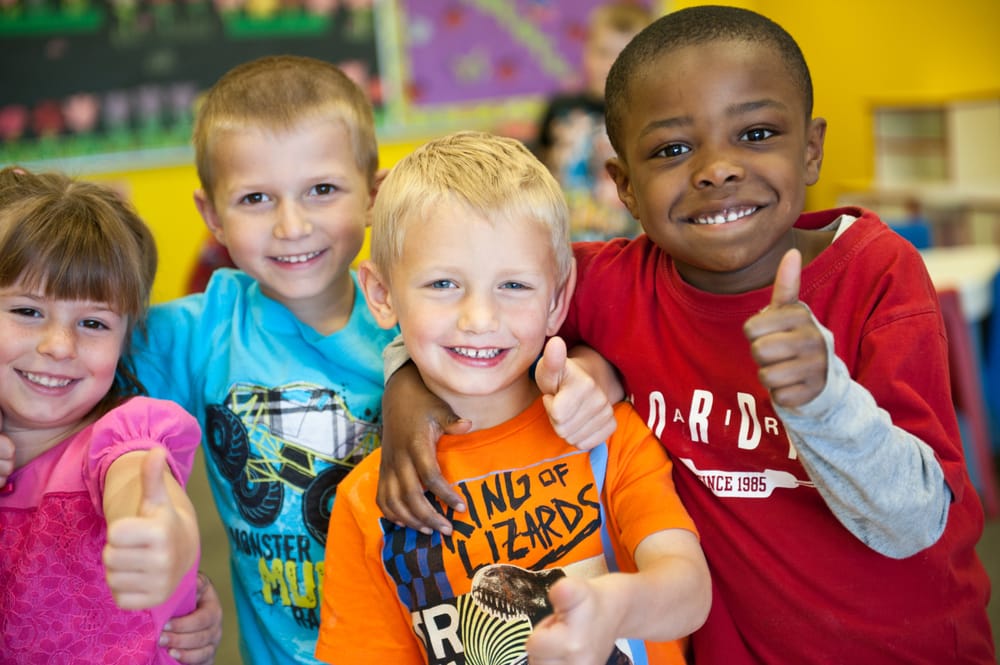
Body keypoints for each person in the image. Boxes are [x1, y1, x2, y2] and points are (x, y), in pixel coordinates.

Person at [376, 6, 997, 664]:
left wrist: (822, 399)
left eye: (756, 132)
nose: (717, 169)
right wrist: (407, 385)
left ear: (810, 149)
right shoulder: (609, 281)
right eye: (672, 149)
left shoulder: (876, 271)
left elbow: (914, 520)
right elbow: (473, 297)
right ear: (625, 187)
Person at [315, 130, 710, 665]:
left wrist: (611, 607)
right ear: (382, 296)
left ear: (558, 300)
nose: (480, 319)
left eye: (514, 286)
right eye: (442, 285)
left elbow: (688, 592)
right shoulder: (367, 501)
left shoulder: (607, 436)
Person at [128, 54, 401, 665]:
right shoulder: (203, 329)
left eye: (322, 190)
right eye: (255, 198)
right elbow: (64, 370)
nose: (292, 224)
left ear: (373, 195)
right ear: (212, 216)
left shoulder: (418, 314)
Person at [0, 166, 203, 663]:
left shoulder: (125, 433)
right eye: (28, 311)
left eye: (93, 322)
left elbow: (138, 479)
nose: (58, 346)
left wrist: (161, 534)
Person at [534, 1, 653, 242]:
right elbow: (541, 166)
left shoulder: (647, 115)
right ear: (586, 50)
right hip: (565, 240)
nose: (610, 64)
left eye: (623, 55)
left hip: (624, 243)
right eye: (602, 52)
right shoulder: (561, 108)